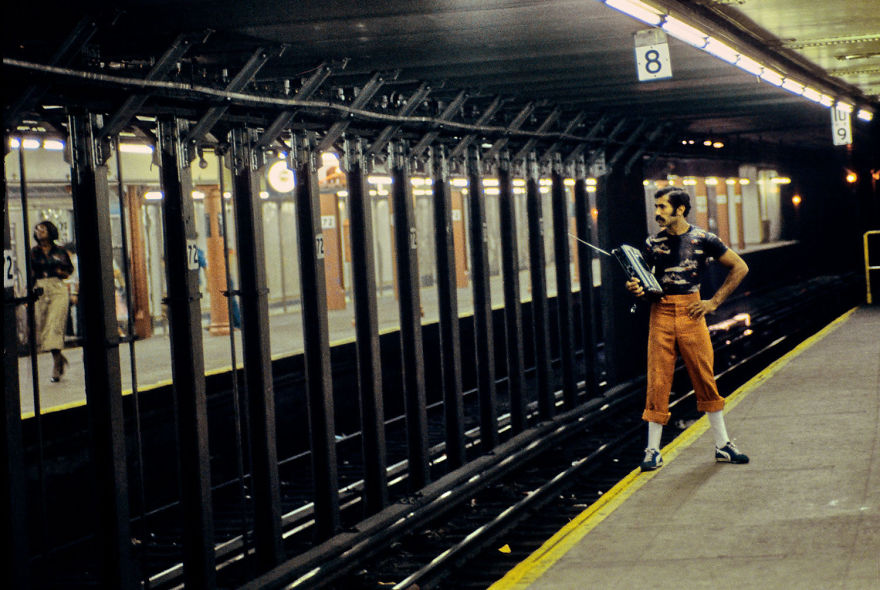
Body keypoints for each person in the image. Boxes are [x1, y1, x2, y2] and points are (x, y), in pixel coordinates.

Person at [626, 187, 750, 471]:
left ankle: (723, 445)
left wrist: (713, 303)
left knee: (704, 377)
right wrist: (635, 288)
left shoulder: (704, 238)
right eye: (656, 207)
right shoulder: (651, 243)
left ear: (680, 209)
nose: (657, 213)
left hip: (692, 312)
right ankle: (652, 451)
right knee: (658, 380)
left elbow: (740, 267)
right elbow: (643, 285)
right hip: (660, 312)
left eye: (662, 207)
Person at [30, 220, 74, 382]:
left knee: (54, 325)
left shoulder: (60, 251)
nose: (39, 231)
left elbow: (69, 269)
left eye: (42, 229)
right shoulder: (34, 252)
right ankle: (59, 358)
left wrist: (60, 271)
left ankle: (56, 365)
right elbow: (31, 272)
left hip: (57, 288)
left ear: (50, 231)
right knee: (43, 328)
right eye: (37, 229)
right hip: (40, 288)